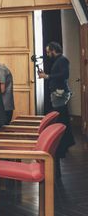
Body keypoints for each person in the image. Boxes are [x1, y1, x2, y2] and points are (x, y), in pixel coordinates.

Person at [38, 41, 75, 172]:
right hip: (58, 93)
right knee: (62, 116)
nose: (48, 54)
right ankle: (66, 142)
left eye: (48, 51)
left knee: (62, 118)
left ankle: (64, 143)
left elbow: (65, 75)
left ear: (54, 50)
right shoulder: (59, 60)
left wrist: (47, 76)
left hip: (60, 93)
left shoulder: (62, 60)